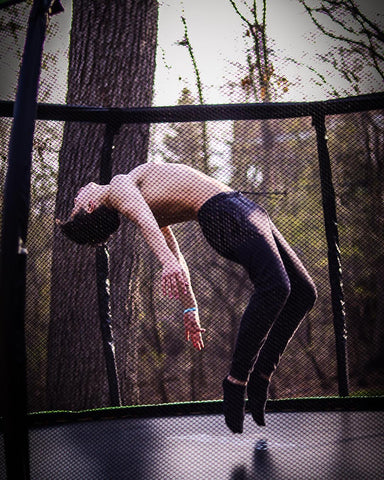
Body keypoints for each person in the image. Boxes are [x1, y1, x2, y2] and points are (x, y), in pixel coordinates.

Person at [60, 161, 317, 433]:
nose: (77, 195)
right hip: (225, 213)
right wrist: (166, 262)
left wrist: (189, 307)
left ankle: (261, 375)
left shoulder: (139, 199)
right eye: (76, 203)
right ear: (90, 207)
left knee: (303, 293)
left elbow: (174, 250)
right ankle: (237, 381)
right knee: (275, 287)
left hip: (243, 208)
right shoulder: (117, 188)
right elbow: (153, 233)